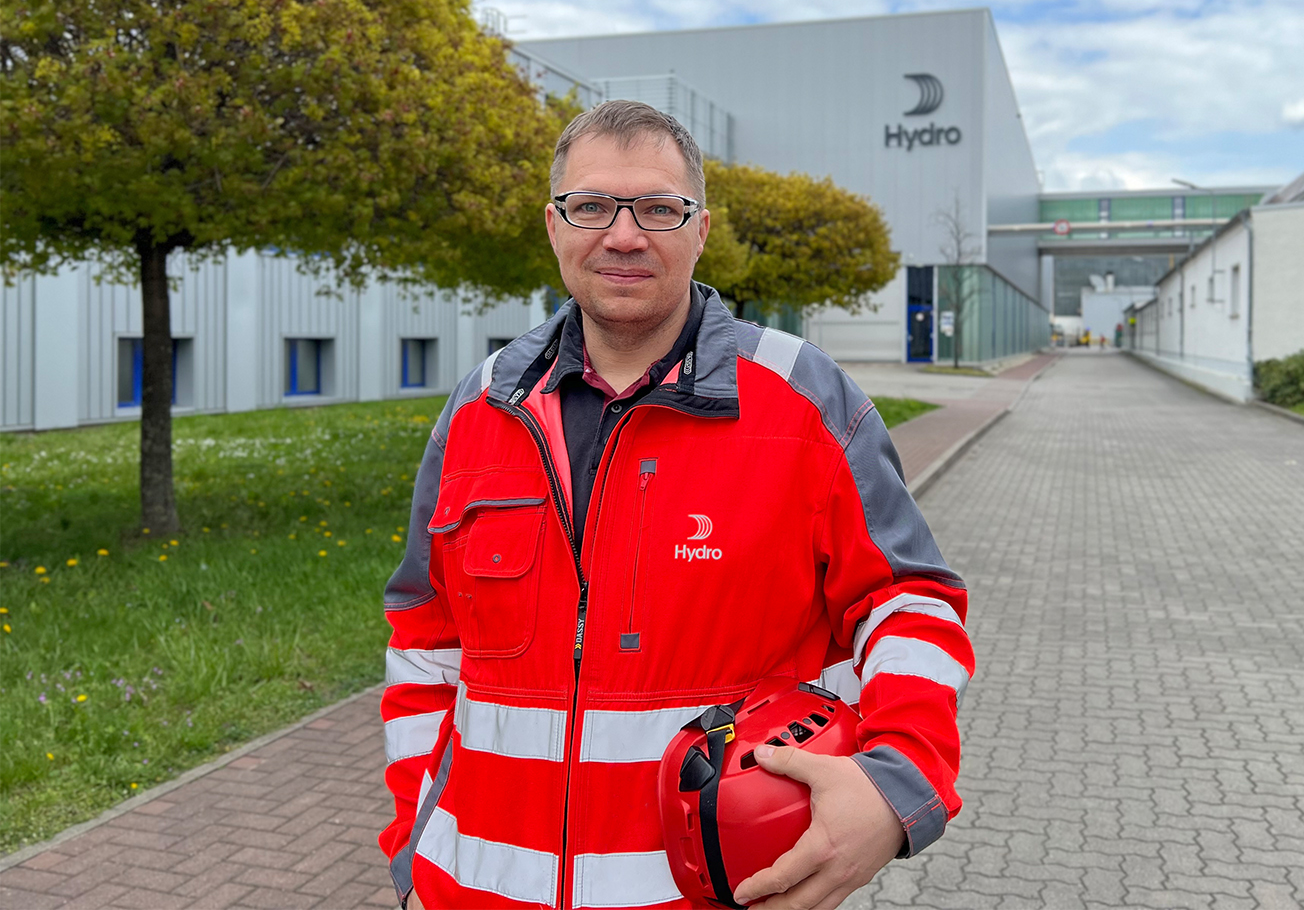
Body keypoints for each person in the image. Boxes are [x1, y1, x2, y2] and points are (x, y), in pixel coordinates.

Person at [379, 101, 974, 910]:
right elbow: (425, 638)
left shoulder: (806, 401)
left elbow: (910, 604)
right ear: (554, 225)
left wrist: (896, 785)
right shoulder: (479, 409)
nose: (623, 236)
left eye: (659, 209)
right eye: (591, 206)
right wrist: (418, 835)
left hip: (717, 893)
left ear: (699, 229)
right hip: (471, 891)